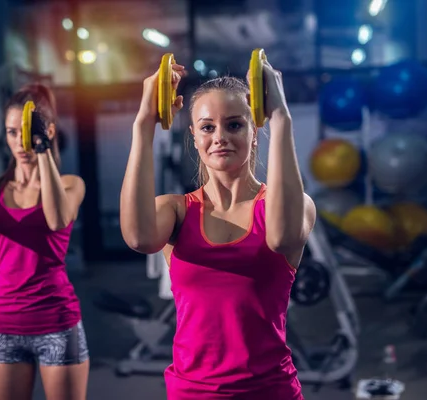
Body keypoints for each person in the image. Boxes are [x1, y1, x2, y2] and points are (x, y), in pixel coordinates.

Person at [120, 59, 316, 399]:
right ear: (193, 136)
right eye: (207, 127)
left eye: (235, 125)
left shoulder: (287, 205)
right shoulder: (175, 211)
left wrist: (281, 115)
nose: (220, 137)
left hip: (269, 391)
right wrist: (143, 124)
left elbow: (282, 236)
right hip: (192, 392)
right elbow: (138, 238)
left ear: (255, 131)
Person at [0, 83, 89, 400]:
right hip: (4, 322)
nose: (19, 142)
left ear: (48, 131)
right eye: (12, 132)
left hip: (56, 320)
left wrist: (42, 152)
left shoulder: (70, 184)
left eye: (25, 132)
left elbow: (56, 219)